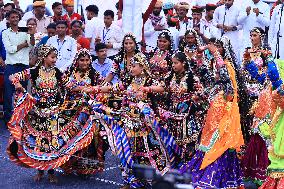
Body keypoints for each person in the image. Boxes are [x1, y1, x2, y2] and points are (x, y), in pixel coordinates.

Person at [96, 52, 180, 188]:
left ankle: (153, 179)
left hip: (144, 125)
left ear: (142, 67)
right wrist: (95, 89)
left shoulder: (149, 80)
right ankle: (129, 180)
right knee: (126, 151)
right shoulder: (129, 81)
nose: (130, 69)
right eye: (129, 66)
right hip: (128, 121)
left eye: (133, 66)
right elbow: (113, 88)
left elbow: (163, 88)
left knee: (147, 150)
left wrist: (147, 89)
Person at [179, 37, 244, 188]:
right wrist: (195, 57)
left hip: (224, 119)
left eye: (218, 47)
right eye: (213, 47)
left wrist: (215, 54)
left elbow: (227, 83)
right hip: (213, 118)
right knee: (209, 146)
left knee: (220, 147)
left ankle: (216, 179)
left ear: (224, 50)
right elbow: (205, 77)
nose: (214, 49)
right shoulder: (215, 73)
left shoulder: (227, 68)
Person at [59, 48, 107, 176]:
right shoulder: (69, 72)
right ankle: (68, 164)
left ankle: (86, 168)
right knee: (68, 137)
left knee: (89, 139)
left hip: (87, 110)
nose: (84, 63)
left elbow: (103, 87)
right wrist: (86, 89)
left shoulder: (94, 74)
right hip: (69, 109)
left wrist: (93, 93)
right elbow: (65, 85)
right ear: (77, 60)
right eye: (82, 60)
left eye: (86, 60)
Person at [241, 27, 276, 185]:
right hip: (254, 97)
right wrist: (248, 64)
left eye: (255, 35)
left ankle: (268, 171)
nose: (252, 38)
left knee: (264, 136)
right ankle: (256, 170)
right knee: (253, 133)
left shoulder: (267, 55)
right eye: (251, 35)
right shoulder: (248, 52)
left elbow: (268, 76)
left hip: (266, 101)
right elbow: (253, 75)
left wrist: (255, 64)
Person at [2, 9, 35, 124]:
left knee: (23, 93)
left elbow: (31, 45)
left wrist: (31, 35)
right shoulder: (5, 32)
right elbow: (10, 50)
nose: (15, 19)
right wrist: (25, 44)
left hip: (24, 67)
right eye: (12, 17)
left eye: (16, 17)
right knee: (8, 93)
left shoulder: (25, 30)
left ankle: (22, 119)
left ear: (19, 18)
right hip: (11, 66)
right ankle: (8, 120)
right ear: (8, 19)